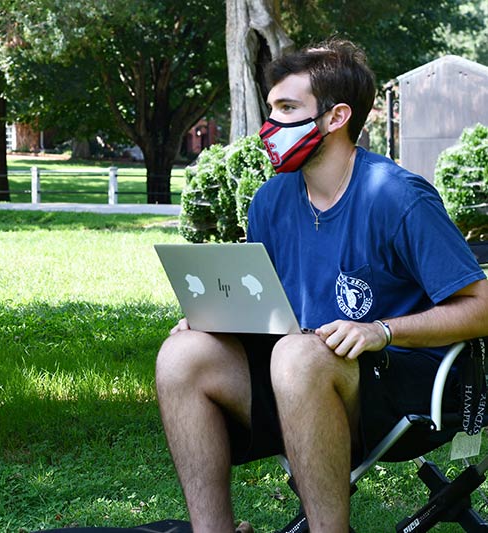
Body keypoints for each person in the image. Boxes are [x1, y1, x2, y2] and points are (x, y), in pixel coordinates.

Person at [155, 38, 488, 532]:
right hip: (297, 378)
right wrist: (215, 320)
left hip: (398, 390)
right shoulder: (268, 201)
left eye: (287, 109)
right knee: (181, 355)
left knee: (297, 355)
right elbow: (271, 308)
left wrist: (381, 330)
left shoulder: (398, 197)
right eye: (271, 109)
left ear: (335, 118)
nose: (271, 125)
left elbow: (481, 307)